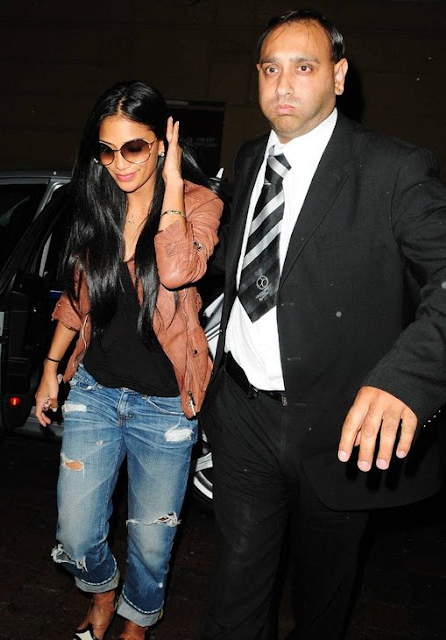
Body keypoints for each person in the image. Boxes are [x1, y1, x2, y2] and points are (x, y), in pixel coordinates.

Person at [200, 9, 446, 640]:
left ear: (338, 77)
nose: (282, 85)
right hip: (244, 417)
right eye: (270, 69)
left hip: (339, 427)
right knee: (232, 597)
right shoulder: (249, 159)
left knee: (321, 602)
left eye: (303, 68)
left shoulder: (394, 169)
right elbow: (237, 272)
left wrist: (408, 379)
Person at [34, 80, 222, 640]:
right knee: (75, 533)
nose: (119, 163)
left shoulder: (199, 204)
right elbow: (77, 299)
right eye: (107, 150)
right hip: (94, 393)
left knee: (151, 538)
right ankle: (102, 590)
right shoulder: (98, 207)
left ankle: (135, 624)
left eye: (134, 147)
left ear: (162, 142)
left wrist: (171, 187)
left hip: (164, 408)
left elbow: (177, 270)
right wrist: (50, 369)